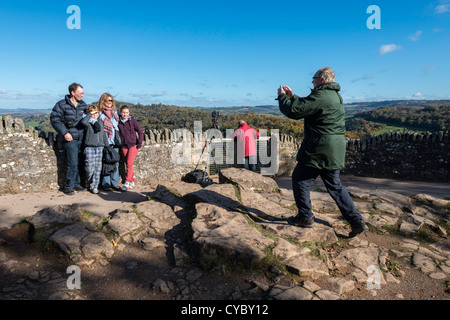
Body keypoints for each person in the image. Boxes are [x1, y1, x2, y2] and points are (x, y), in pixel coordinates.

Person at [277, 67, 368, 238]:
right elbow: (308, 106)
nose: (312, 81)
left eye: (314, 78)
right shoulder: (333, 95)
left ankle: (305, 216)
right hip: (334, 148)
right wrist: (292, 97)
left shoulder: (321, 95)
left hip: (320, 147)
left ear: (322, 80)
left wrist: (282, 97)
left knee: (300, 179)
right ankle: (357, 221)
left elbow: (294, 111)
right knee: (335, 185)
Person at [50, 83, 87, 195]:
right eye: (80, 93)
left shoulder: (83, 105)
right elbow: (55, 119)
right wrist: (65, 132)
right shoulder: (61, 104)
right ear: (73, 92)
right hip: (70, 137)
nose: (82, 95)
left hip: (82, 137)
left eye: (82, 93)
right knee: (72, 162)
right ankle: (69, 186)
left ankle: (76, 183)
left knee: (80, 161)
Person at [80, 105, 109, 194]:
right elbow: (83, 122)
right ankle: (87, 182)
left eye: (96, 112)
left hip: (100, 147)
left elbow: (103, 134)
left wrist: (106, 145)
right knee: (89, 167)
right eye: (93, 113)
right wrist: (90, 115)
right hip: (90, 147)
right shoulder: (88, 122)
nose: (95, 115)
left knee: (98, 168)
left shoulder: (100, 121)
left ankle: (95, 186)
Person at [97, 93, 121, 191]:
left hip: (114, 141)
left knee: (115, 162)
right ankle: (106, 184)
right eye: (107, 100)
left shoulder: (115, 113)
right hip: (104, 141)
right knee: (106, 163)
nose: (110, 102)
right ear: (103, 101)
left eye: (111, 100)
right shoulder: (99, 113)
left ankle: (115, 183)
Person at [118, 105, 144, 191]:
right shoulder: (119, 122)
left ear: (129, 113)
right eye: (123, 112)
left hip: (133, 145)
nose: (125, 114)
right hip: (124, 146)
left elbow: (140, 132)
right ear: (120, 112)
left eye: (126, 113)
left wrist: (139, 143)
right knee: (128, 164)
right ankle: (132, 181)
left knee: (129, 163)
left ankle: (127, 182)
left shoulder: (133, 121)